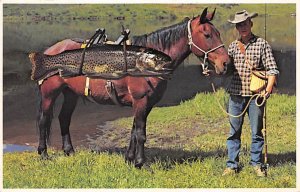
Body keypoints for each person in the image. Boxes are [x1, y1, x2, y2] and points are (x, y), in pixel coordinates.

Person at [222, 10, 279, 177]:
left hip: (256, 97)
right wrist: (212, 71)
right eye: (239, 25)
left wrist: (267, 90)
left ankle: (256, 164)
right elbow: (227, 70)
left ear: (251, 24)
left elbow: (272, 69)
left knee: (257, 132)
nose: (242, 27)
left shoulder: (262, 44)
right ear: (236, 27)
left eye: (245, 23)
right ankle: (232, 165)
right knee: (233, 132)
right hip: (235, 95)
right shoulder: (232, 46)